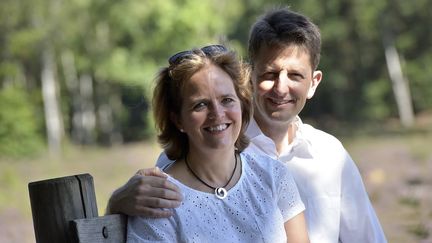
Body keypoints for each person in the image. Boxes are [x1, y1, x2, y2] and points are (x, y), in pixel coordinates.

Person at [108, 7, 387, 243]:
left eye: (295, 76)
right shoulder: (195, 151)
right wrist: (117, 202)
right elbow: (161, 199)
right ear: (249, 77)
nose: (281, 88)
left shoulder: (330, 155)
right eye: (270, 73)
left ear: (313, 83)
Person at [126, 44, 309, 242]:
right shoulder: (158, 199)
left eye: (227, 100)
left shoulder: (273, 175)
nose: (218, 114)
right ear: (178, 119)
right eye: (201, 104)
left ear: (242, 103)